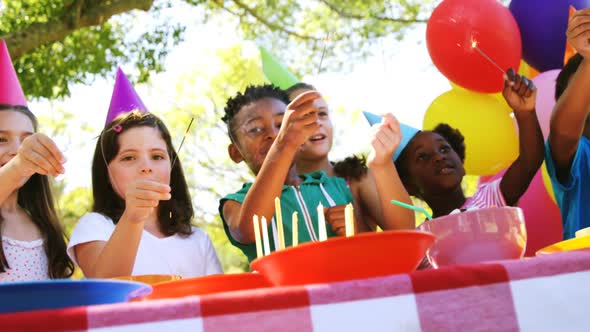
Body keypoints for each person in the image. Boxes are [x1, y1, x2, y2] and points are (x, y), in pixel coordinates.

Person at [67, 69, 222, 278]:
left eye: (157, 156)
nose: (146, 167)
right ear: (105, 172)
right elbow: (106, 286)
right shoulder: (95, 226)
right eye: (129, 158)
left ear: (172, 166)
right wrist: (133, 217)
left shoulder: (198, 239)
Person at [0, 40, 74, 282]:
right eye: (1, 139)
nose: (16, 150)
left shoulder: (43, 226)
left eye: (26, 141)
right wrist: (21, 164)